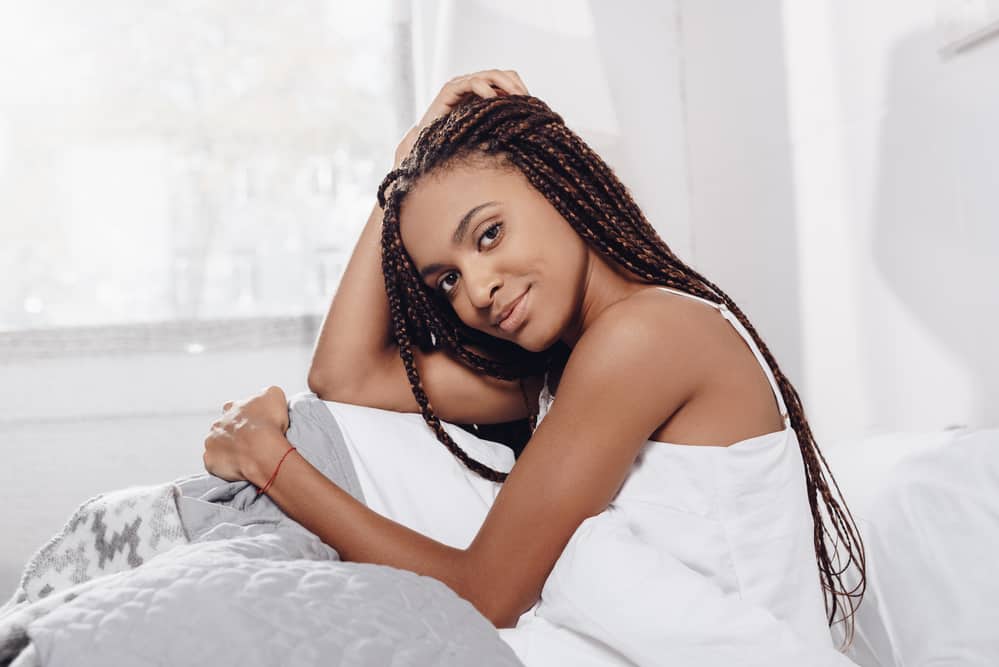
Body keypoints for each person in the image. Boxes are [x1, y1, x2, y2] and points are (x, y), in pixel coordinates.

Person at [204, 69, 866, 664]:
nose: (477, 290)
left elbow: (484, 591)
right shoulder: (561, 370)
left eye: (488, 233)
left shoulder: (646, 335)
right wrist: (404, 172)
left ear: (555, 183)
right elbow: (344, 377)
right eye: (446, 280)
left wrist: (269, 460)